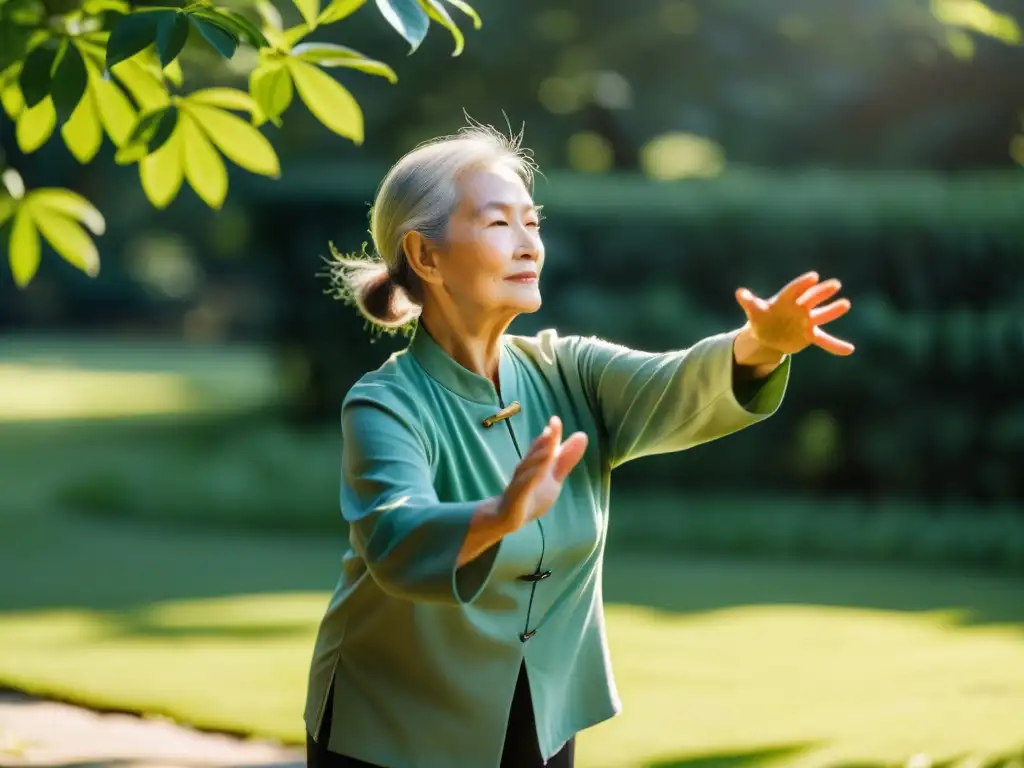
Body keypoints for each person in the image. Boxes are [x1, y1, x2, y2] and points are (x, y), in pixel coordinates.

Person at [303, 121, 854, 768]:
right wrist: (497, 517)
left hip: (541, 713)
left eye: (533, 223)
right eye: (499, 224)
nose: (529, 244)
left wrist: (759, 346)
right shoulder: (386, 403)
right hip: (395, 725)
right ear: (425, 256)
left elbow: (677, 385)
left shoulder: (572, 371)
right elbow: (393, 538)